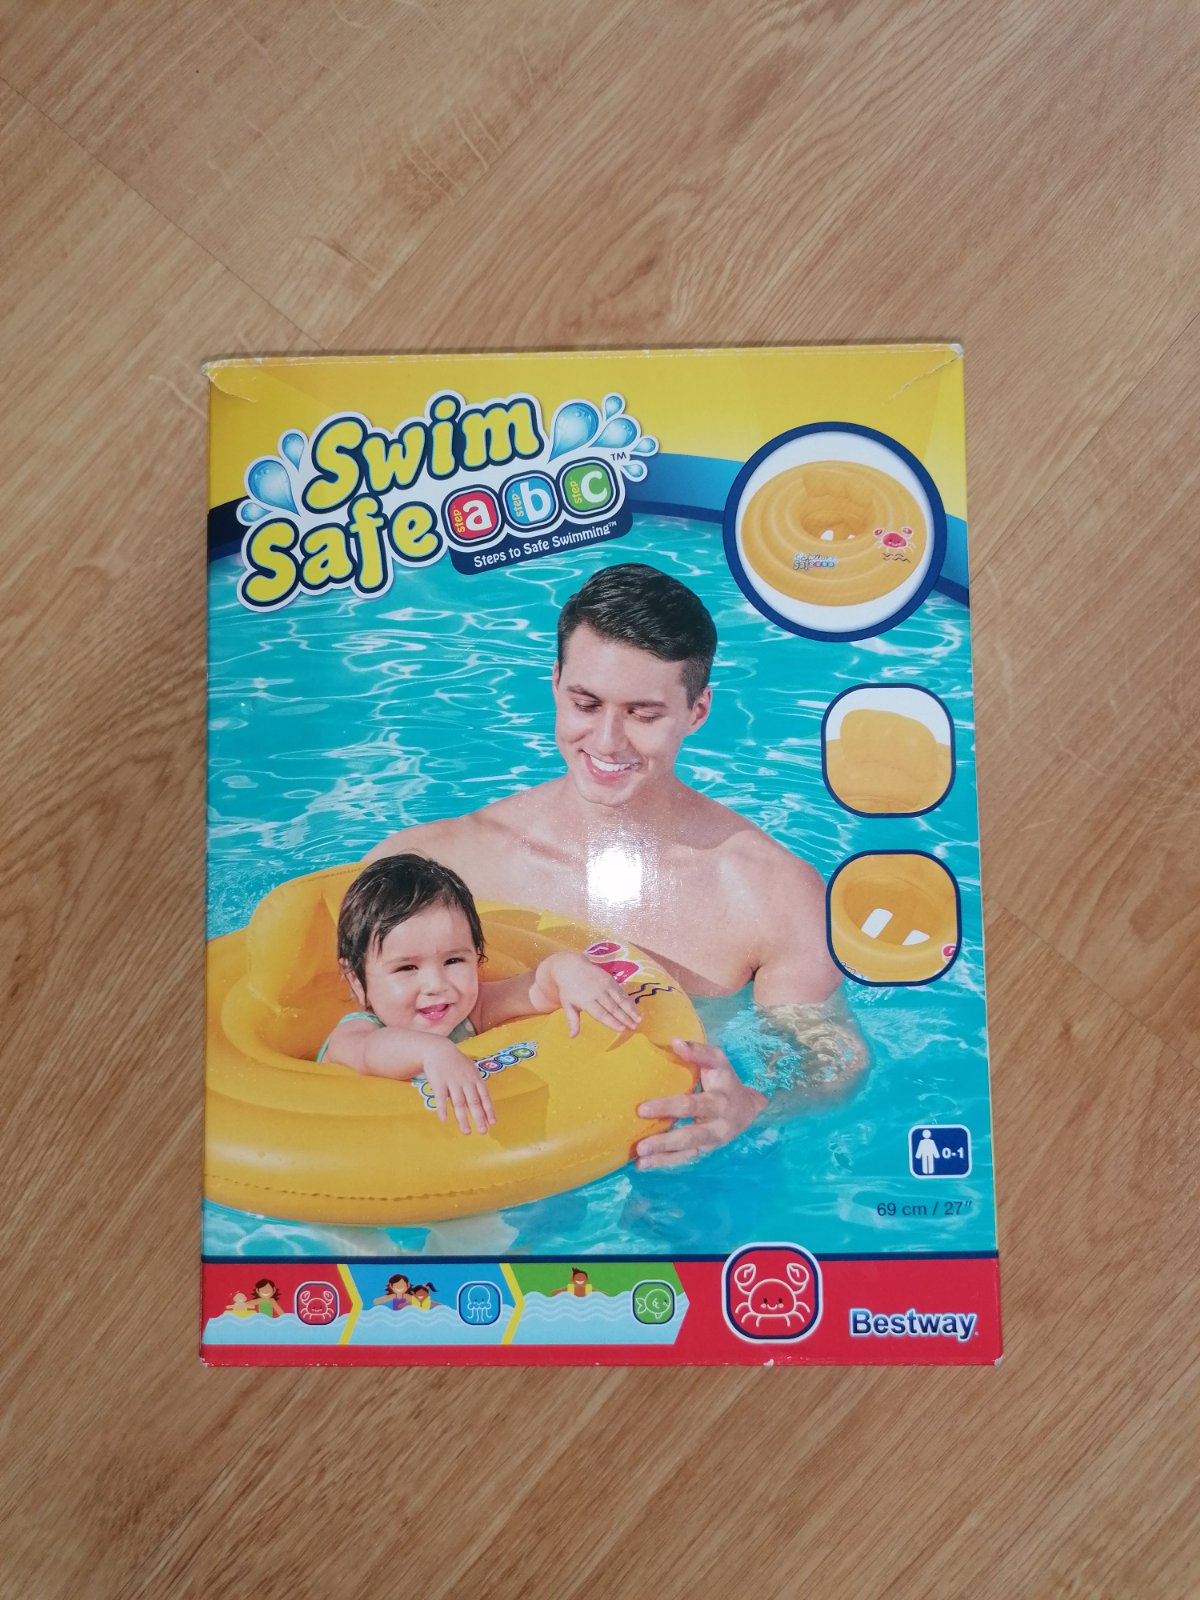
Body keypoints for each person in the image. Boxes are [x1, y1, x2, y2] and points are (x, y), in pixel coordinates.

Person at [369, 562, 865, 1167]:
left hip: (671, 1172)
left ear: (698, 711)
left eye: (643, 714)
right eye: (585, 703)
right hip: (477, 1162)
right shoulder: (439, 864)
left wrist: (755, 1106)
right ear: (555, 683)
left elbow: (831, 1059)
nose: (606, 741)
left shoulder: (771, 893)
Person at [319, 854, 641, 1135]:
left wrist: (568, 970)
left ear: (477, 957)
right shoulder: (355, 1033)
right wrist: (433, 1051)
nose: (436, 984)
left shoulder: (470, 1011)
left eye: (453, 961)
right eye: (407, 968)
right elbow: (371, 1052)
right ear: (356, 981)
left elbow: (533, 991)